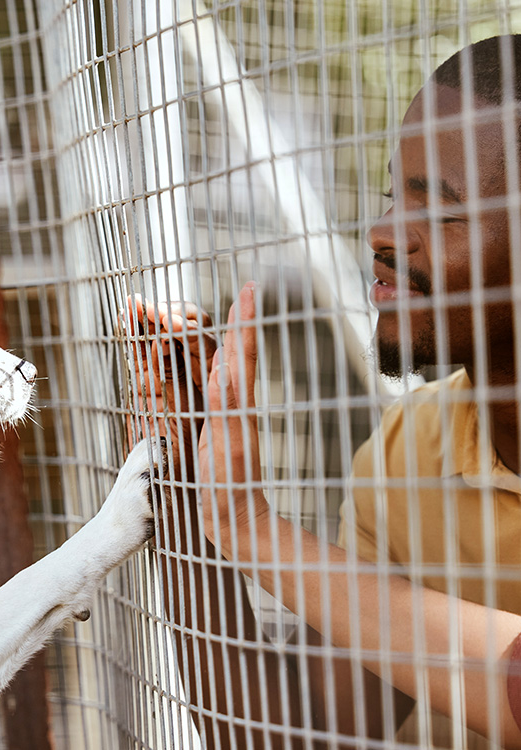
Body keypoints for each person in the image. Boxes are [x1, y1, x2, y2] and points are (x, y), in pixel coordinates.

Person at [130, 34, 521, 749]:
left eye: (438, 211)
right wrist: (191, 486)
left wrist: (253, 527)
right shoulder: (407, 455)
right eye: (390, 197)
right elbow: (297, 733)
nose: (380, 233)